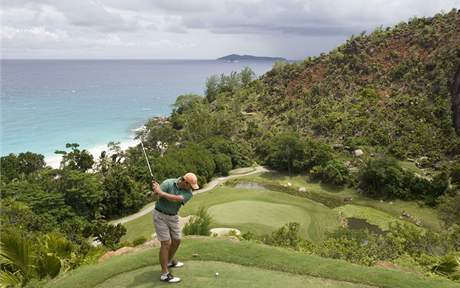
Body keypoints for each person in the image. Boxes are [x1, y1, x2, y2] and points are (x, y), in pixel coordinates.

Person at [151, 172, 199, 283]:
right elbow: (154, 198)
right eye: (191, 186)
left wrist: (161, 192)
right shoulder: (168, 183)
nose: (192, 189)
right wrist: (155, 191)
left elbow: (176, 198)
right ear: (185, 182)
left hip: (173, 217)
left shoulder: (189, 194)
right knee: (166, 243)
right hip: (160, 215)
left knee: (177, 240)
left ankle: (168, 260)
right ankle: (164, 274)